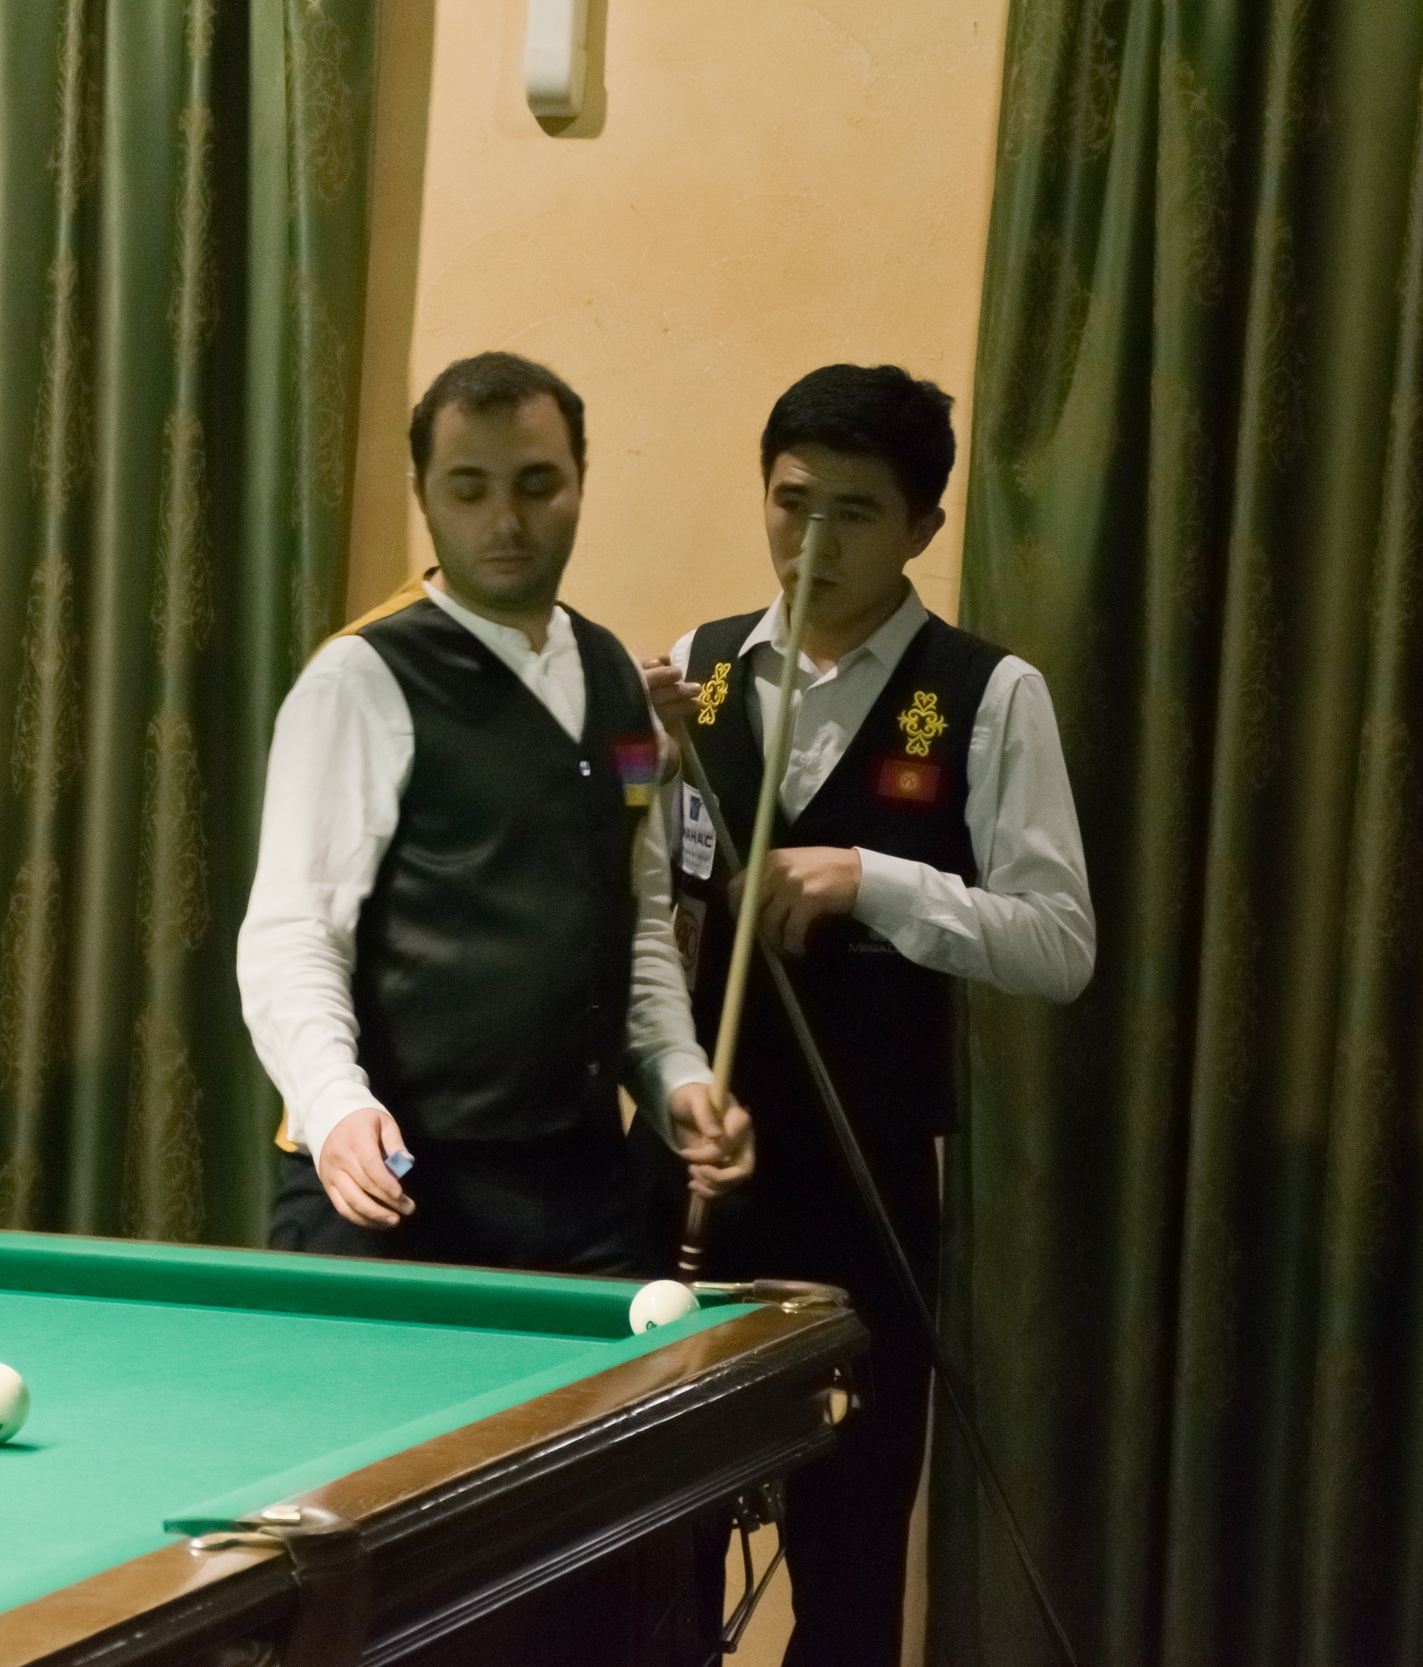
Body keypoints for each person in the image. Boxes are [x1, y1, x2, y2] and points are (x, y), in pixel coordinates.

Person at [645, 363, 1095, 1667]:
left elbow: (1059, 944)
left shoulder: (986, 693)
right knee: (651, 1553)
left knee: (846, 1565)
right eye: (791, 503)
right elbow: (627, 868)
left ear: (922, 527)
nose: (812, 542)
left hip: (863, 1185)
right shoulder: (697, 666)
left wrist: (874, 880)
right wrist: (624, 752)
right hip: (689, 1167)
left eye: (853, 512)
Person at [239, 350, 750, 1275]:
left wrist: (677, 1075)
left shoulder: (619, 683)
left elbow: (636, 923)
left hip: (585, 1192)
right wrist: (335, 1104)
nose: (505, 521)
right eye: (469, 488)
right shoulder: (358, 678)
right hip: (395, 1184)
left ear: (581, 483)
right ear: (424, 493)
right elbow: (294, 933)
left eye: (537, 484)